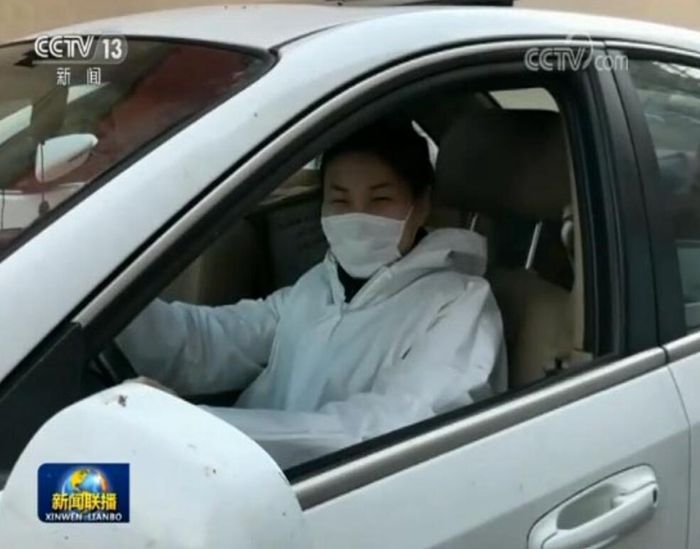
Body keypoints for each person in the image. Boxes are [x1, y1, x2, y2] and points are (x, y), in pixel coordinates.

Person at [117, 119, 507, 468]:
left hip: (334, 497)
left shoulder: (459, 302)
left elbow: (391, 430)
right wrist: (116, 305)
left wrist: (200, 427)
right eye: (340, 200)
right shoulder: (318, 284)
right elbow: (207, 342)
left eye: (380, 199)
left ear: (420, 206)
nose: (357, 216)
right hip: (243, 479)